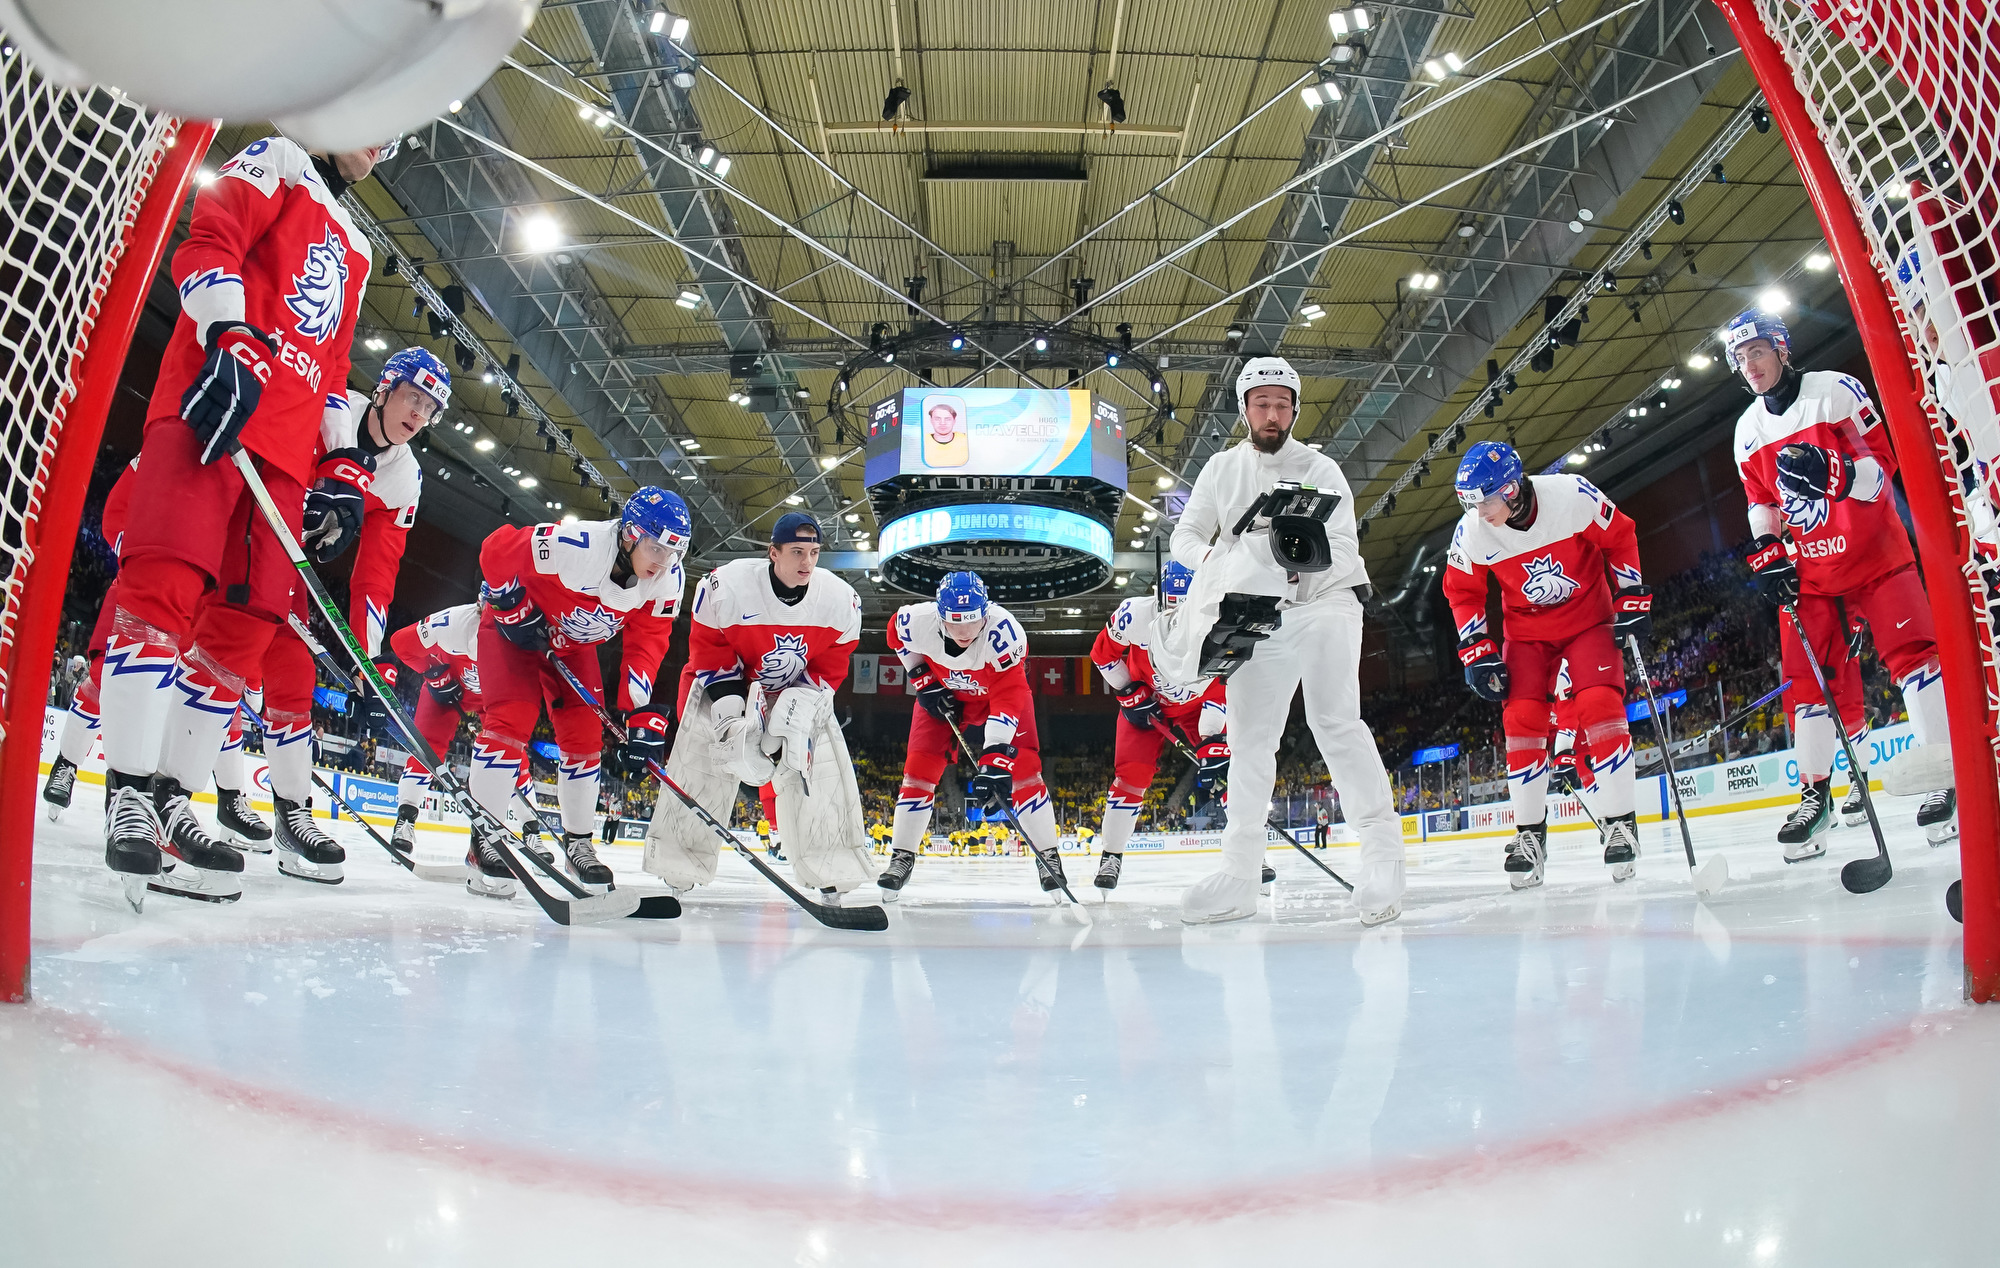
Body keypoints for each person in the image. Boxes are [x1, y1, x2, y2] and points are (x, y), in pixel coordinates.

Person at [96, 133, 385, 907]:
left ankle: (172, 796)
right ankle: (127, 791)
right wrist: (227, 329)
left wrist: (341, 461)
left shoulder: (359, 247)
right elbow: (208, 241)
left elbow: (332, 366)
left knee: (243, 630)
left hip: (284, 459)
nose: (384, 140)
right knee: (161, 590)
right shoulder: (279, 157)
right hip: (212, 407)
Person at [1164, 358, 1405, 925]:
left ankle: (1383, 860)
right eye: (1261, 404)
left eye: (1282, 405)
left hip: (1326, 602)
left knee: (1334, 721)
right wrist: (1221, 563)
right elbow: (1185, 535)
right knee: (1249, 740)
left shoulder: (1321, 468)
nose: (1272, 414)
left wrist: (1284, 566)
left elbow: (1343, 548)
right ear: (1244, 408)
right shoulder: (1222, 468)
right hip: (1257, 614)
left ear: (1294, 409)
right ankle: (1240, 874)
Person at [1726, 309, 1955, 853]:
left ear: (1782, 349)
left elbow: (1882, 471)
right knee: (1808, 687)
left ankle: (1945, 772)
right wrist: (1768, 550)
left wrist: (1838, 473)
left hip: (1877, 556)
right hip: (1812, 576)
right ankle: (1816, 797)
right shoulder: (1747, 430)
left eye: (1757, 351)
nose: (1750, 365)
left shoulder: (1834, 391)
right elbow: (1761, 502)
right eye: (1740, 357)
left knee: (1915, 658)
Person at [1443, 441, 1649, 887]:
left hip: (1589, 620)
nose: (1479, 513)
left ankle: (1621, 825)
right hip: (1527, 635)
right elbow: (1462, 590)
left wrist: (1631, 595)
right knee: (1521, 718)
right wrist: (1477, 649)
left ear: (1511, 489)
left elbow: (1620, 536)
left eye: (1485, 501)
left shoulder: (1571, 495)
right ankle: (1529, 836)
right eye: (1471, 503)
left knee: (1599, 706)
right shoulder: (1473, 531)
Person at [469, 487, 689, 897]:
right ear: (630, 534)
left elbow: (648, 641)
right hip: (514, 635)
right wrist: (511, 607)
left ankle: (578, 844)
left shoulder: (668, 579)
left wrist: (636, 714)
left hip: (572, 645)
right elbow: (495, 549)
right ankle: (485, 838)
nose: (663, 562)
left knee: (586, 736)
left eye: (673, 551)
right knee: (511, 720)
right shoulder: (578, 545)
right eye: (656, 548)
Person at [643, 513, 870, 899]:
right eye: (797, 552)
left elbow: (833, 662)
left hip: (793, 689)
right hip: (721, 683)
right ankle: (677, 867)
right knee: (703, 766)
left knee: (817, 767)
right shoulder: (727, 586)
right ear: (773, 553)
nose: (807, 562)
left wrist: (796, 709)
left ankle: (832, 868)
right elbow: (709, 651)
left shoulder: (839, 600)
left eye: (814, 552)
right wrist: (731, 718)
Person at [876, 571, 1066, 898]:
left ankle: (1048, 855)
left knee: (1025, 773)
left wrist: (995, 758)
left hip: (998, 696)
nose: (964, 631)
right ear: (939, 615)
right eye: (954, 621)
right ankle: (901, 857)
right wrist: (922, 678)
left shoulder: (1005, 633)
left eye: (972, 620)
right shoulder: (916, 621)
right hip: (945, 696)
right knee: (918, 771)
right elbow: (895, 635)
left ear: (986, 612)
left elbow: (1008, 695)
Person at [1087, 559, 1231, 890]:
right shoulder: (1135, 615)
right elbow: (1102, 654)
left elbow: (1224, 682)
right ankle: (1111, 855)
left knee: (1226, 768)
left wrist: (1212, 736)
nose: (1177, 617)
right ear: (1158, 596)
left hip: (1198, 706)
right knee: (1131, 777)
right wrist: (1129, 691)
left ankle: (1249, 850)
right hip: (1146, 704)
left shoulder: (1219, 618)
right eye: (1171, 606)